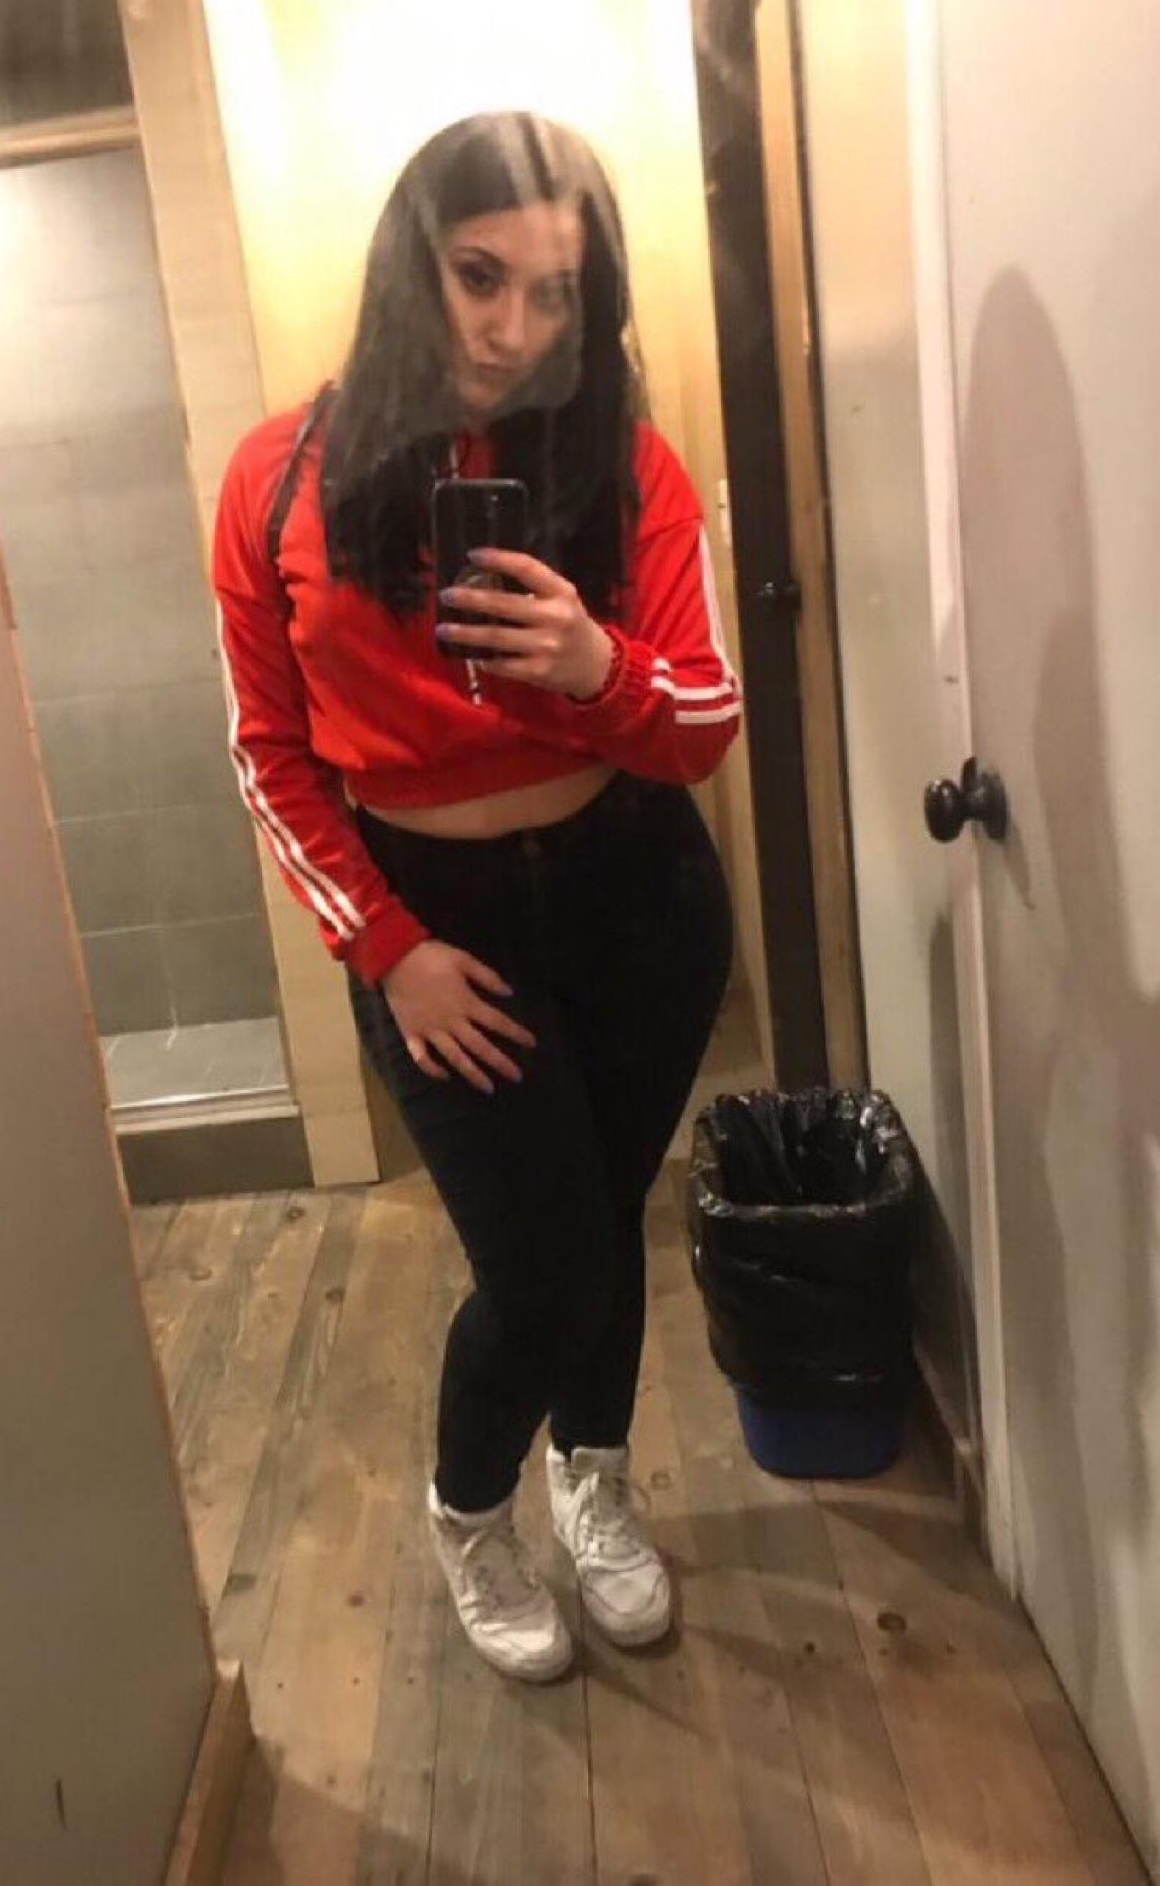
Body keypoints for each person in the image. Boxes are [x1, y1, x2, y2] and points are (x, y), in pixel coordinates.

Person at [212, 112, 741, 1681]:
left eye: (556, 292)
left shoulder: (623, 463)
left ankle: (596, 1478)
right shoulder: (277, 478)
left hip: (637, 901)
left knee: (606, 1221)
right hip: (437, 930)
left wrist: (595, 668)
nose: (515, 329)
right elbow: (269, 753)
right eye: (480, 276)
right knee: (548, 1262)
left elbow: (703, 721)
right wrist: (390, 953)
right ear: (412, 267)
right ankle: (470, 1512)